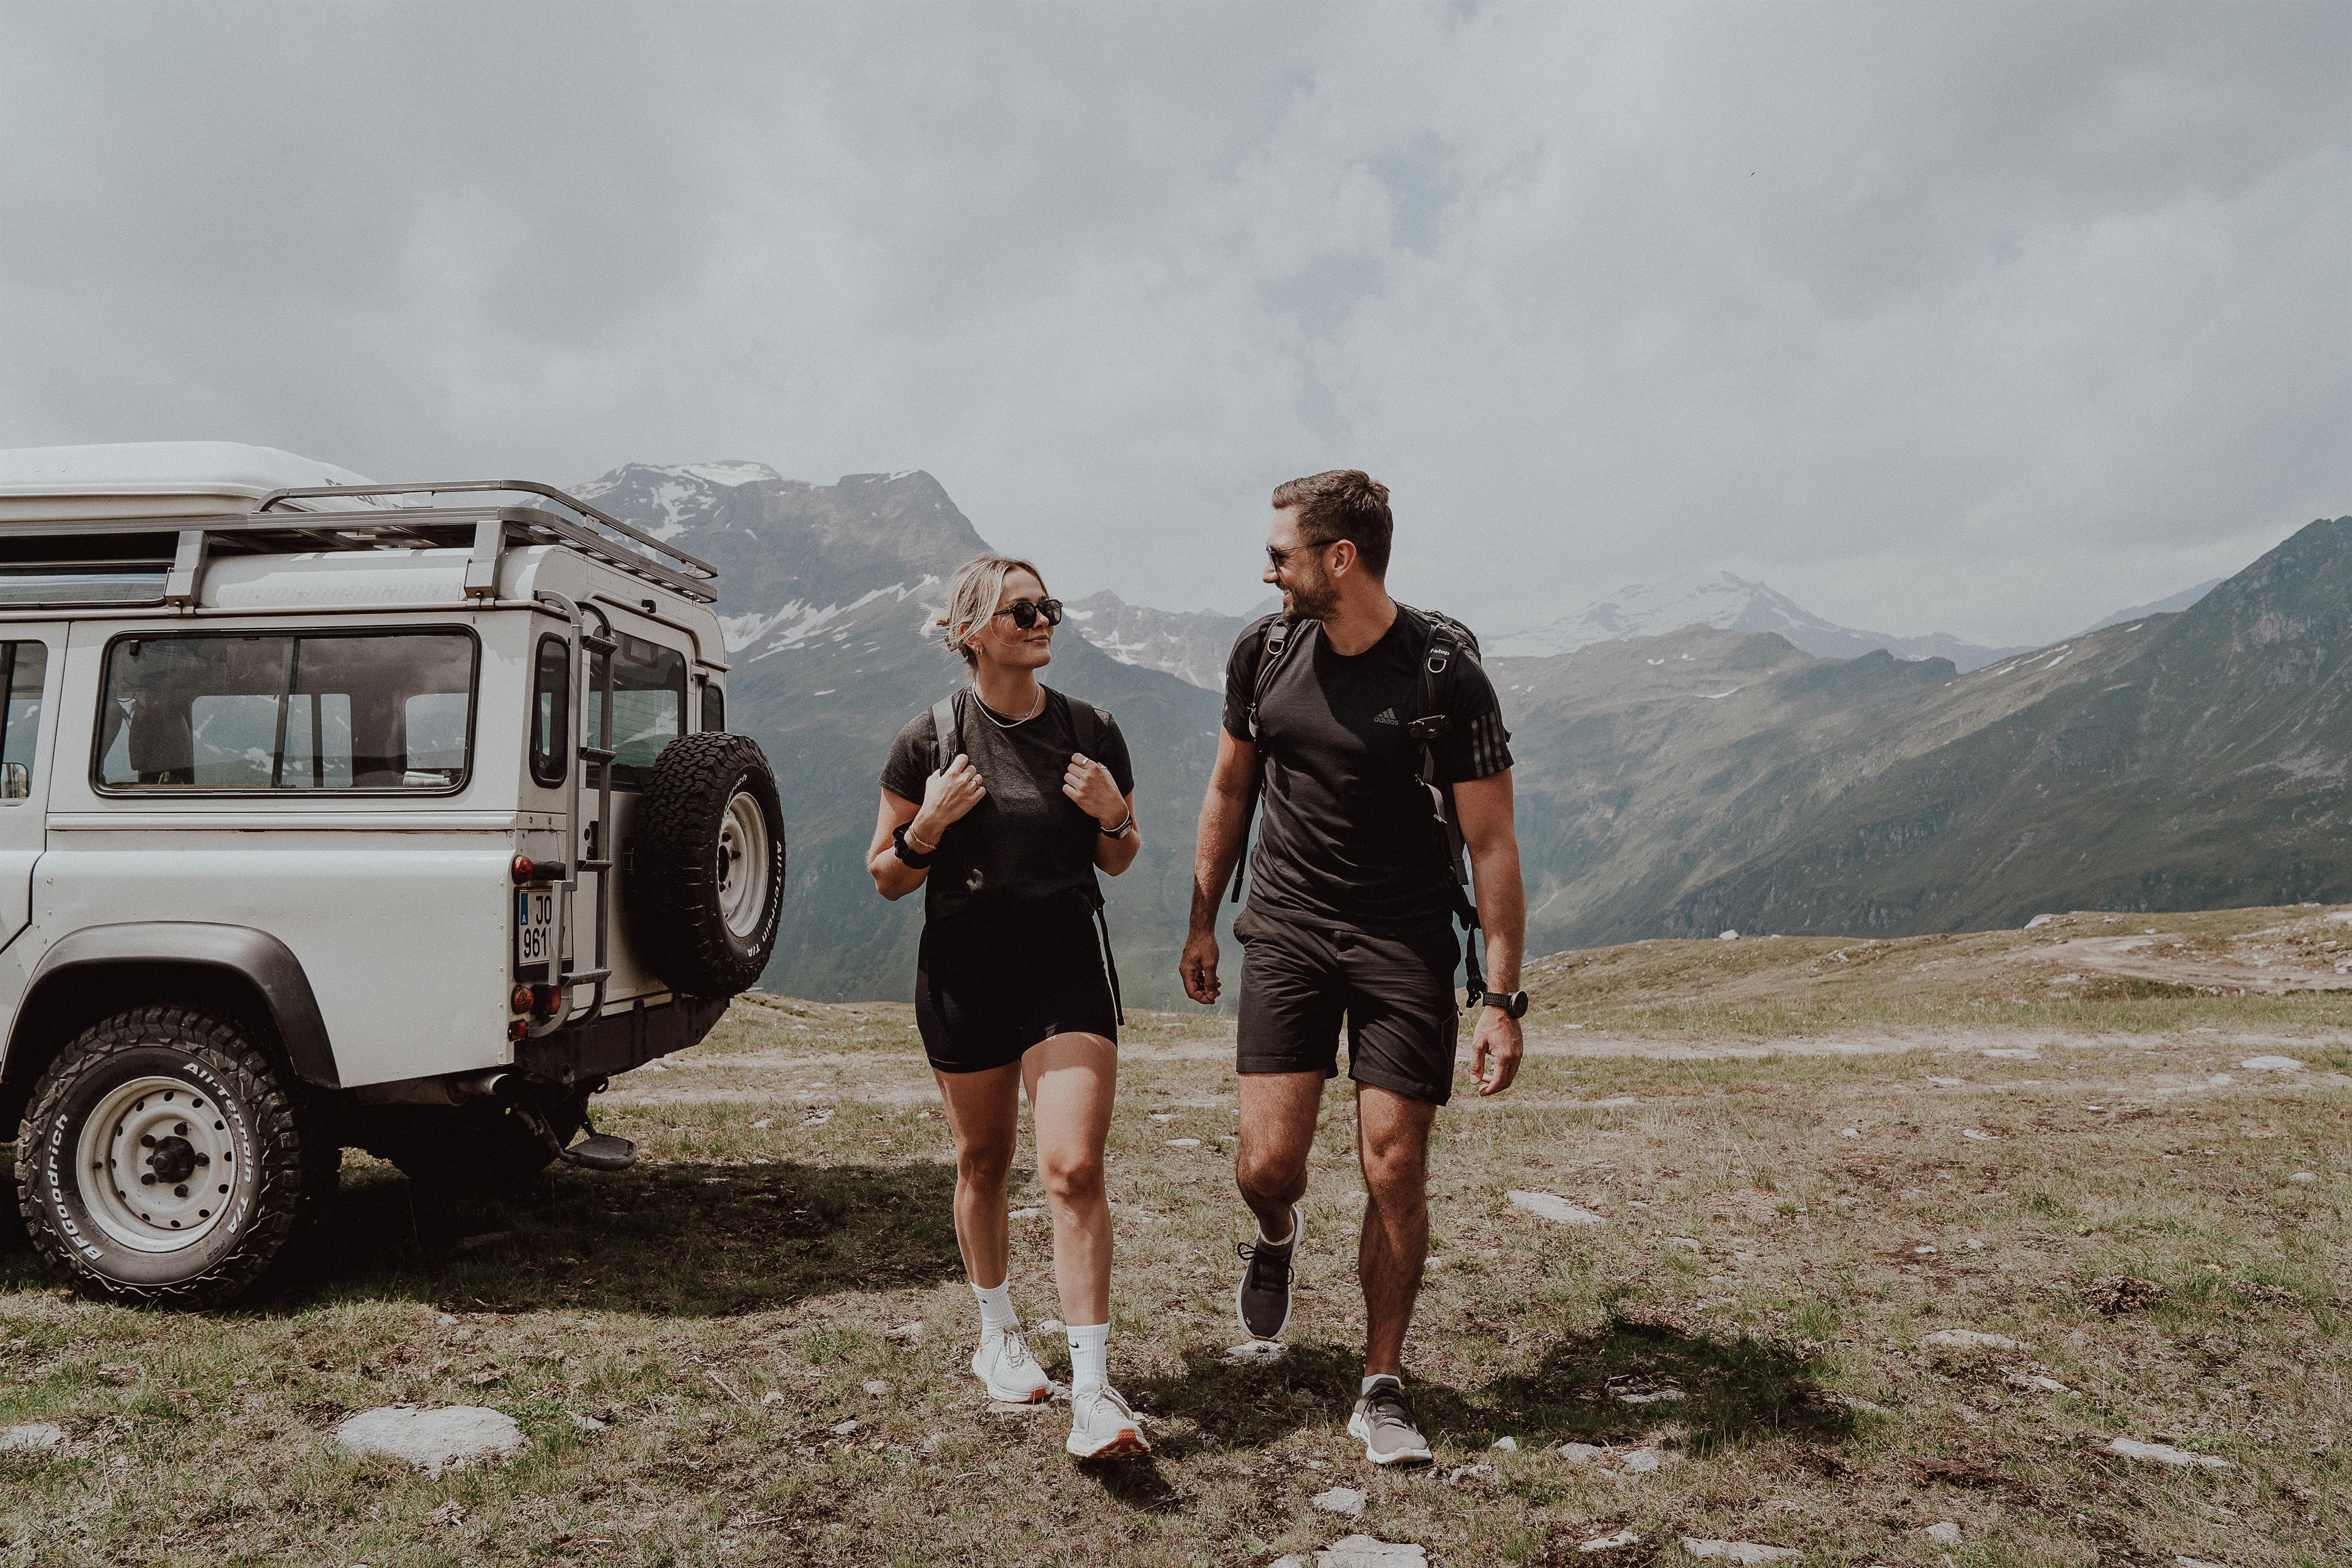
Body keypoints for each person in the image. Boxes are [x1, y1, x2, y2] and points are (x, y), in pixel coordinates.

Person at [1180, 470, 1528, 1467]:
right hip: (1288, 928)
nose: (1267, 572)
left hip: (1404, 941)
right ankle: (1276, 1235)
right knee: (1267, 1168)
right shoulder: (1263, 652)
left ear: (1340, 559)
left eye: (1280, 555)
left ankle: (1381, 1384)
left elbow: (1492, 845)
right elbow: (1229, 789)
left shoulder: (1445, 676)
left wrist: (1501, 999)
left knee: (1395, 1164)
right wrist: (1203, 920)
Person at [869, 553, 1149, 1462]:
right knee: (983, 1161)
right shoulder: (928, 740)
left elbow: (1119, 857)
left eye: (1047, 607)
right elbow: (887, 876)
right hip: (966, 972)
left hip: (1065, 968)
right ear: (971, 633)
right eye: (1021, 611)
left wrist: (1112, 813)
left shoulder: (1091, 730)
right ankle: (996, 1332)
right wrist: (928, 826)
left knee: (1072, 1168)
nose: (1042, 622)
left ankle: (1094, 1393)